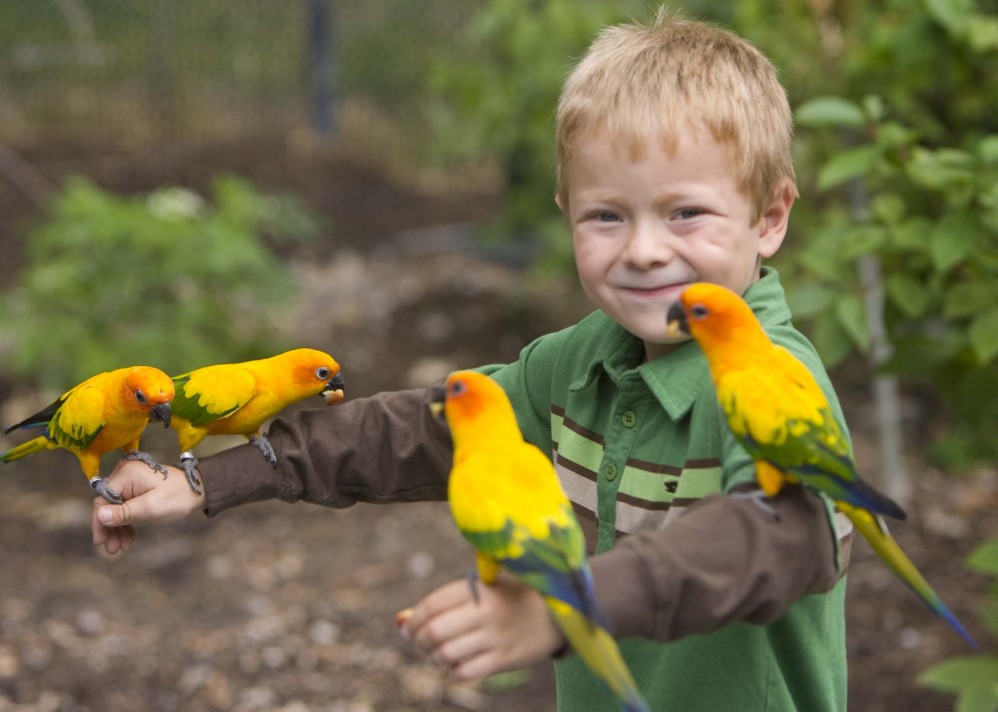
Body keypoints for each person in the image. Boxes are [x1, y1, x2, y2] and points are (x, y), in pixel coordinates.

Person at [92, 9, 852, 711]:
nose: (645, 249)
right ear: (566, 215)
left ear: (770, 218)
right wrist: (203, 478)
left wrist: (568, 603)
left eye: (685, 211)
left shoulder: (772, 379)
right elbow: (418, 432)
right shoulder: (576, 363)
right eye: (606, 215)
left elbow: (780, 538)